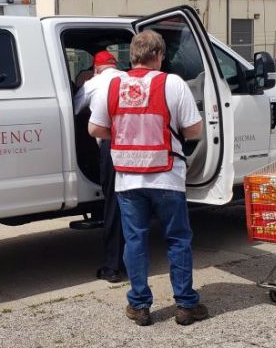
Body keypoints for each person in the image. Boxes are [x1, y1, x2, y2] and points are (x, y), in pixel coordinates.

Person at [87, 30, 209, 327]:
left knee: (135, 241)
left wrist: (124, 134)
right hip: (166, 175)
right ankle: (185, 305)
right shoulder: (173, 83)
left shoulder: (112, 86)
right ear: (159, 55)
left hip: (128, 179)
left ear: (133, 55)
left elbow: (95, 129)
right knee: (178, 239)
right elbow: (195, 130)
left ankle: (140, 305)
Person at [74, 50, 125, 283]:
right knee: (137, 203)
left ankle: (113, 266)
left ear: (95, 68)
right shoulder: (132, 80)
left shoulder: (93, 84)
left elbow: (75, 111)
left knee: (114, 205)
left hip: (113, 145)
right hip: (144, 145)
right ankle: (137, 259)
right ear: (116, 65)